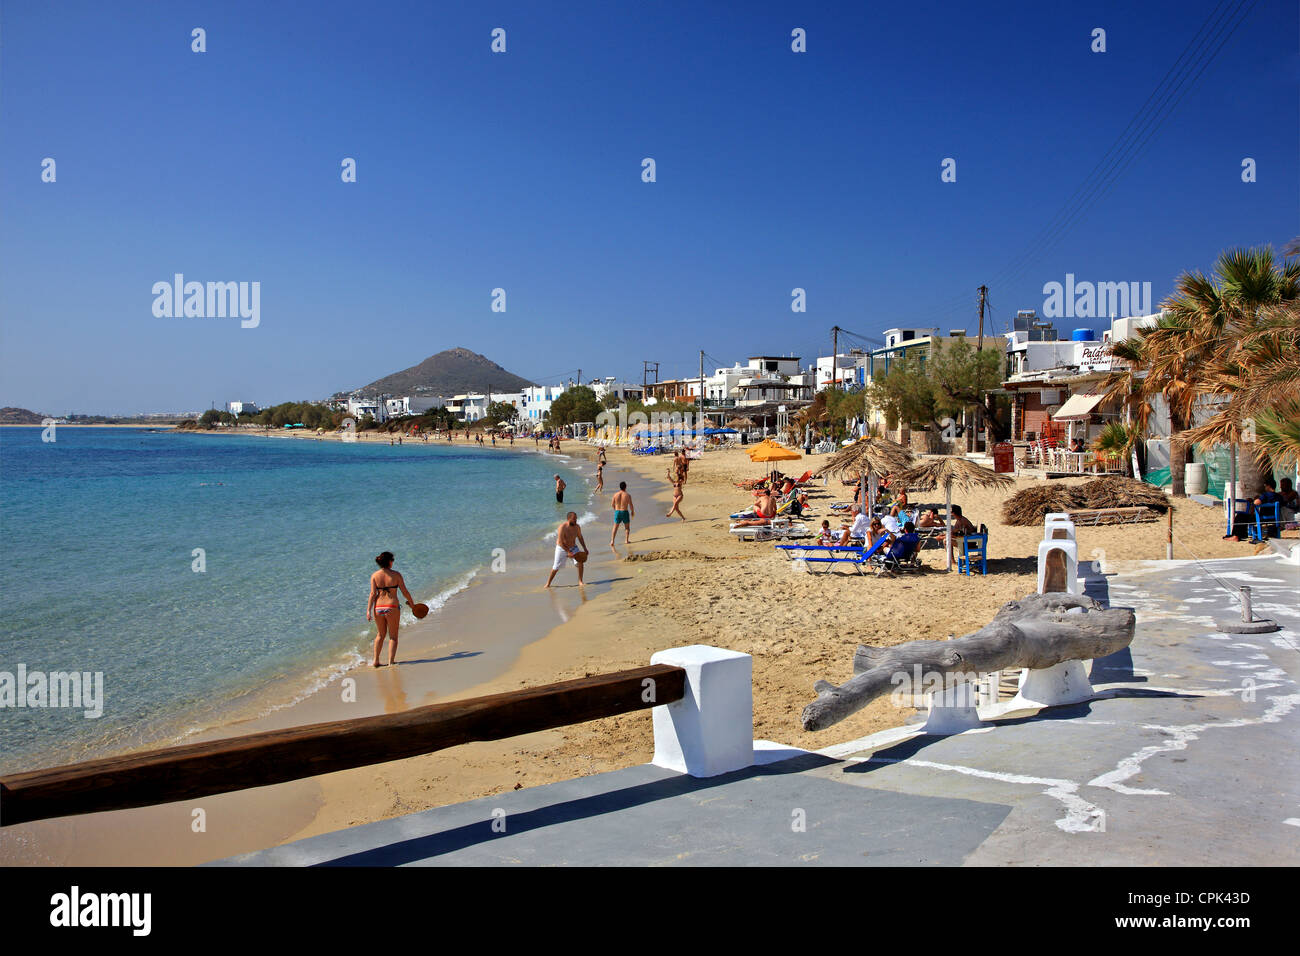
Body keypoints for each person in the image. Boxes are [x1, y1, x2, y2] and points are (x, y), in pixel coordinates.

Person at [367, 551, 415, 667]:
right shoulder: (396, 575)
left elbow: (373, 594)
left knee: (380, 634)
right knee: (393, 636)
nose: (393, 562)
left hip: (378, 607)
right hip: (392, 606)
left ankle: (376, 661)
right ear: (389, 562)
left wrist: (368, 610)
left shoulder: (374, 575)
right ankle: (391, 662)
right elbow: (405, 592)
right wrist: (413, 605)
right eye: (392, 560)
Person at [545, 513, 589, 587]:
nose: (576, 520)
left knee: (580, 562)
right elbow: (560, 542)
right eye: (574, 519)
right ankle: (548, 583)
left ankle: (580, 581)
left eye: (576, 519)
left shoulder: (577, 527)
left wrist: (585, 548)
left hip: (573, 547)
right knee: (556, 567)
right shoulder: (562, 527)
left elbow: (580, 537)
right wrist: (568, 552)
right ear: (568, 519)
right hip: (561, 548)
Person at [611, 481, 634, 546]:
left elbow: (612, 504)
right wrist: (632, 511)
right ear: (625, 487)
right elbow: (631, 505)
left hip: (617, 511)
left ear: (620, 487)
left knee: (615, 527)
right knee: (627, 527)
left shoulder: (615, 495)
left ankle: (612, 541)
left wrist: (616, 510)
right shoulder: (627, 495)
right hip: (625, 511)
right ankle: (626, 540)